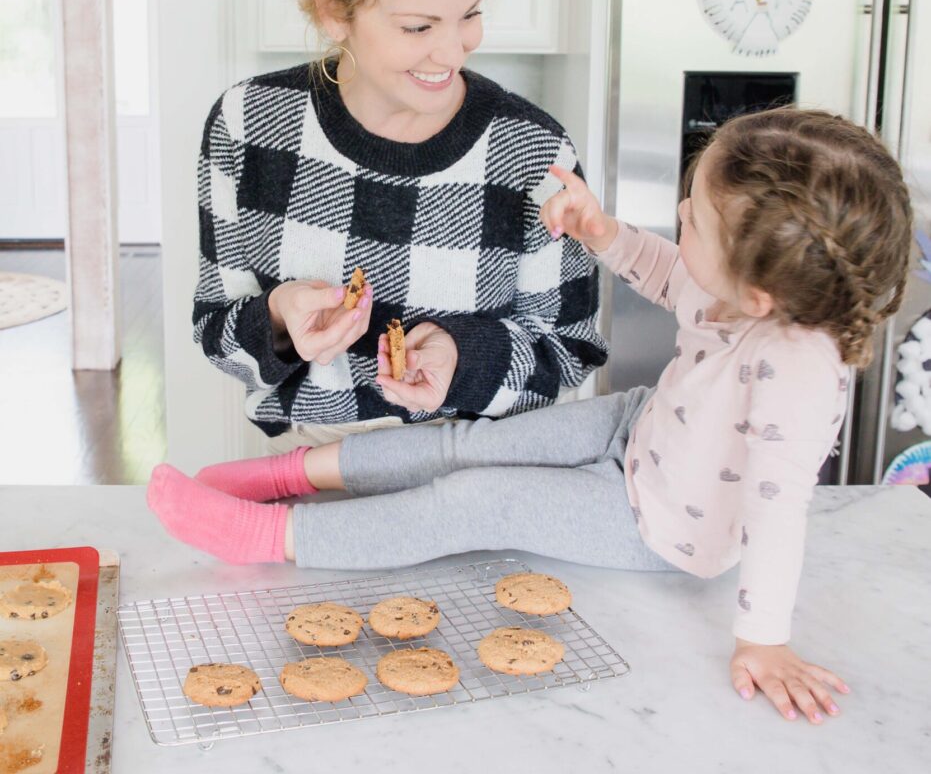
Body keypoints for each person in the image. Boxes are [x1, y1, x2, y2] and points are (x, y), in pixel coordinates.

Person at [150, 107, 913, 724]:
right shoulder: (745, 292)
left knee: (471, 502)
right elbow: (669, 275)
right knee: (465, 445)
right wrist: (600, 232)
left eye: (695, 220)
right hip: (640, 430)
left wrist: (764, 643)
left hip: (656, 520)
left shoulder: (799, 376)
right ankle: (287, 474)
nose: (680, 212)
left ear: (758, 298)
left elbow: (778, 517)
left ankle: (267, 535)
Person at [192, 0, 607, 448]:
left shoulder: (532, 151)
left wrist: (459, 358)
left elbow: (569, 352)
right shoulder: (248, 123)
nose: (451, 53)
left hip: (472, 475)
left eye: (469, 16)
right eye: (418, 27)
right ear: (334, 12)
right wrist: (279, 321)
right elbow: (216, 331)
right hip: (307, 472)